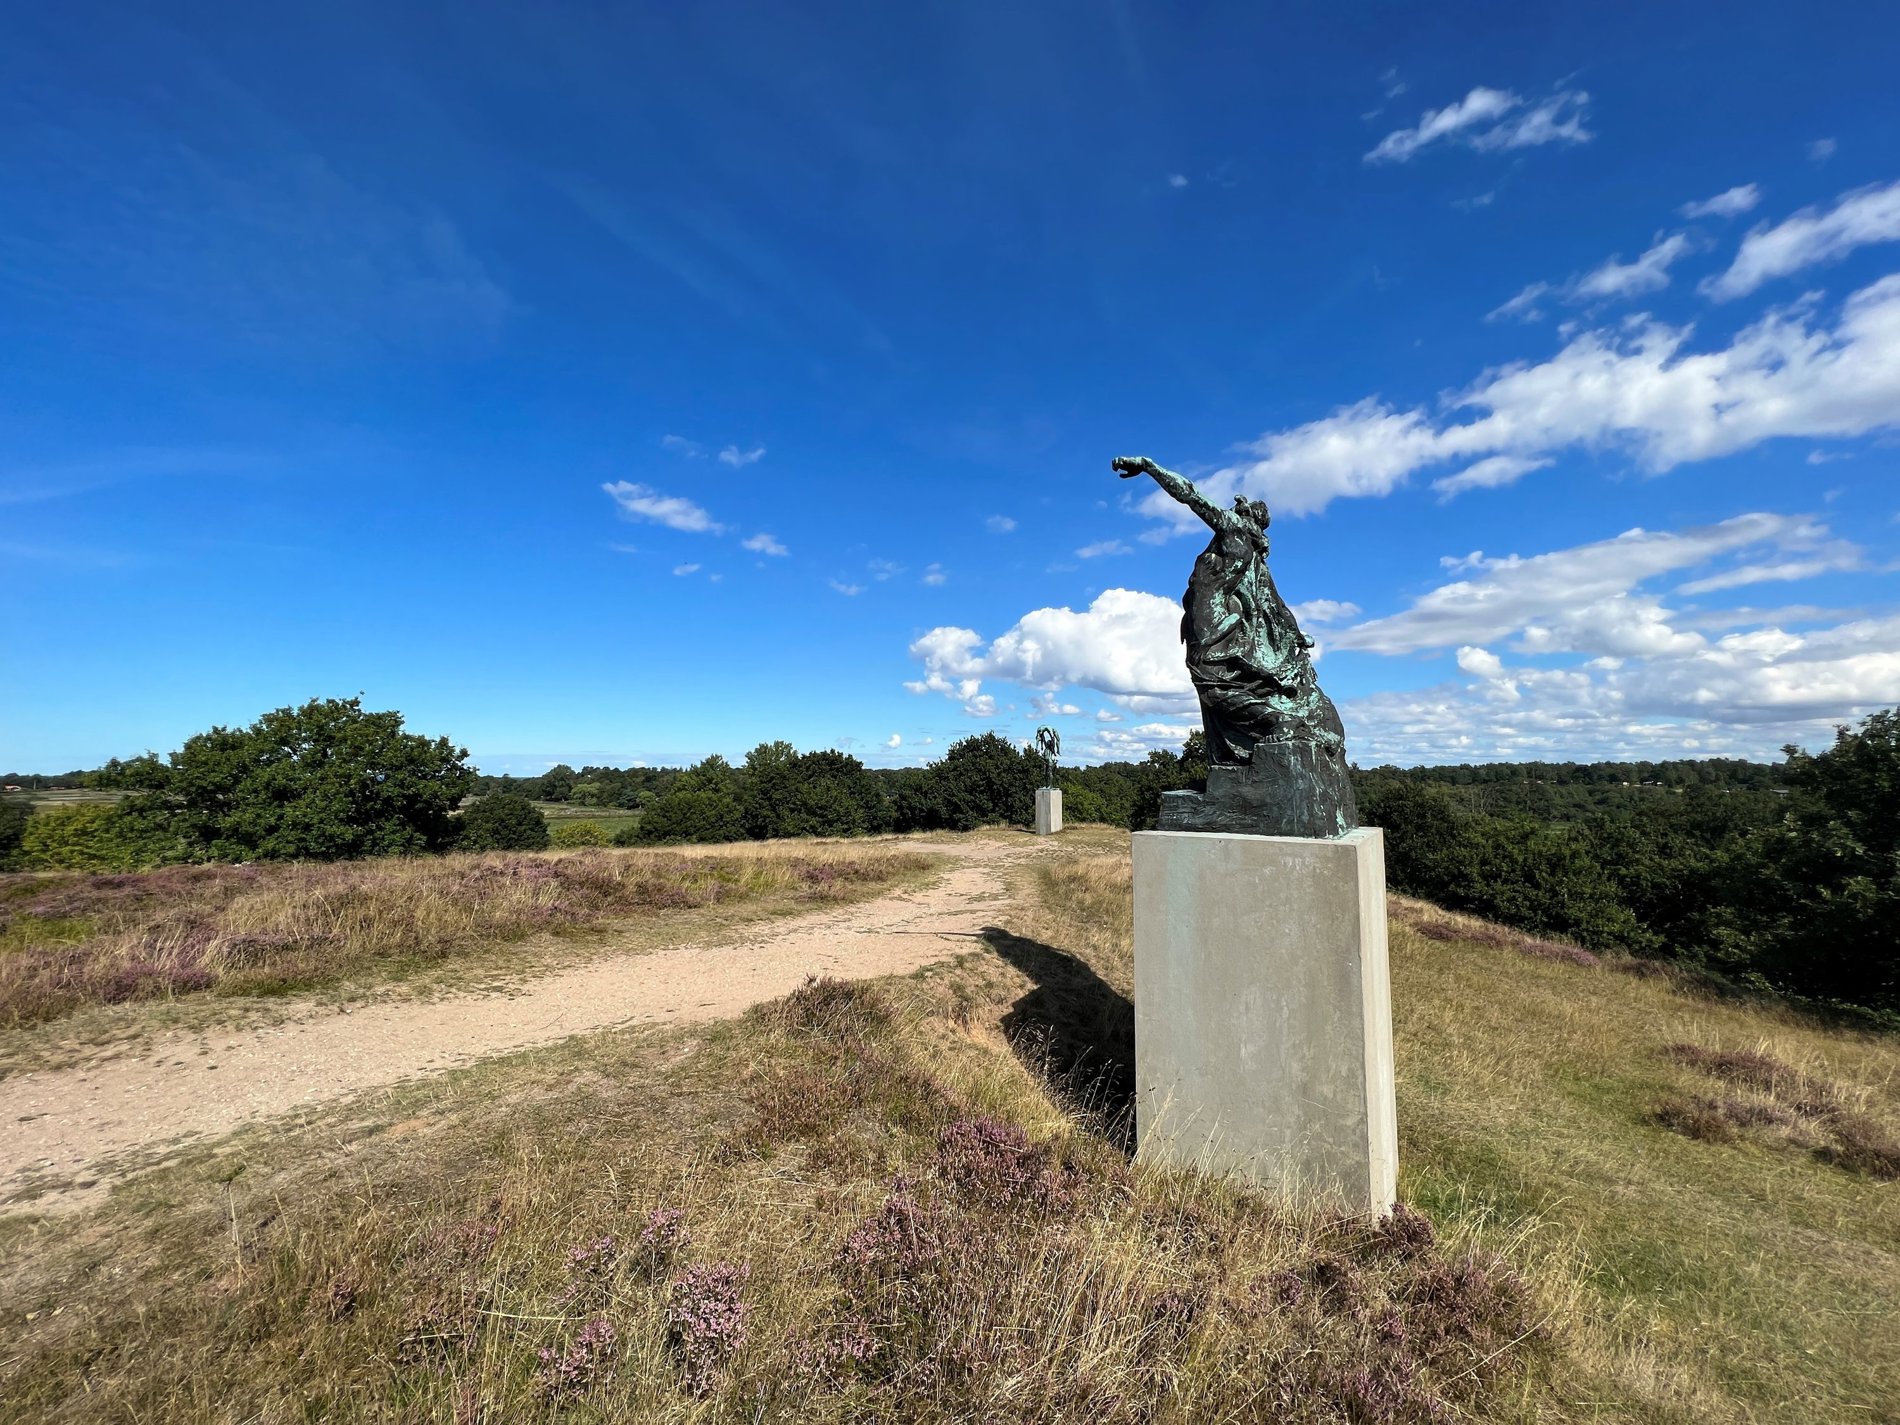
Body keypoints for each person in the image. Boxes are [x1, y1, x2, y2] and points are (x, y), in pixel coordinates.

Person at [1113, 455, 1345, 764]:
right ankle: (1231, 753)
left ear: (1246, 515)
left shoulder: (1232, 528)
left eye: (1239, 507)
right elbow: (1275, 605)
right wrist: (1296, 635)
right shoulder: (1253, 556)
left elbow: (1191, 495)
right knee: (1212, 686)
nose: (1233, 507)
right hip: (1220, 622)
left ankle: (1277, 722)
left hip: (1212, 622)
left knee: (1212, 686)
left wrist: (1150, 467)